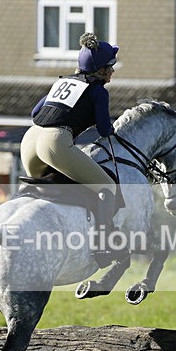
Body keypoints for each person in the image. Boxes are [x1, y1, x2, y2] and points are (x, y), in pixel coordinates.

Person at [20, 32, 119, 233]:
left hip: (30, 139)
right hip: (54, 143)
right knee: (108, 188)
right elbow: (104, 130)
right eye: (111, 67)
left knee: (58, 186)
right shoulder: (99, 91)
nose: (113, 72)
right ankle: (105, 242)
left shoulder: (63, 81)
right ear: (101, 71)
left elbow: (35, 112)